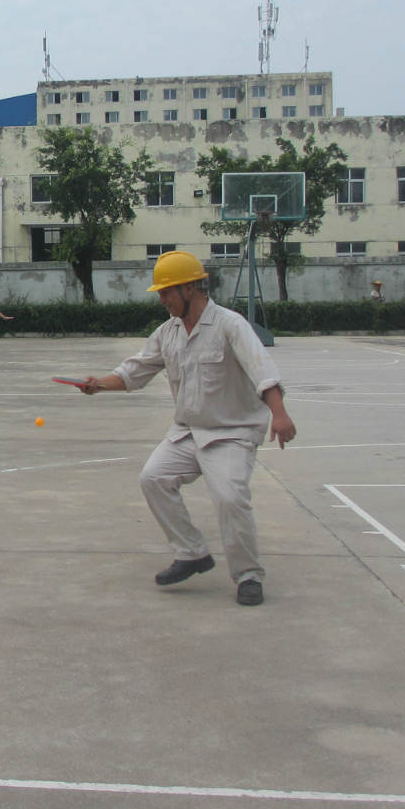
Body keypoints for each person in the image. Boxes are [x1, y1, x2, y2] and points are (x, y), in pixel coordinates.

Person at [66, 251, 295, 607]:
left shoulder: (230, 325)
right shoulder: (167, 333)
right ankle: (192, 553)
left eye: (166, 292)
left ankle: (248, 575)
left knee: (230, 497)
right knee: (153, 478)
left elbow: (262, 369)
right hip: (188, 432)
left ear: (190, 289)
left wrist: (279, 414)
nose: (162, 299)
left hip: (231, 432)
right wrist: (99, 384)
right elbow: (134, 371)